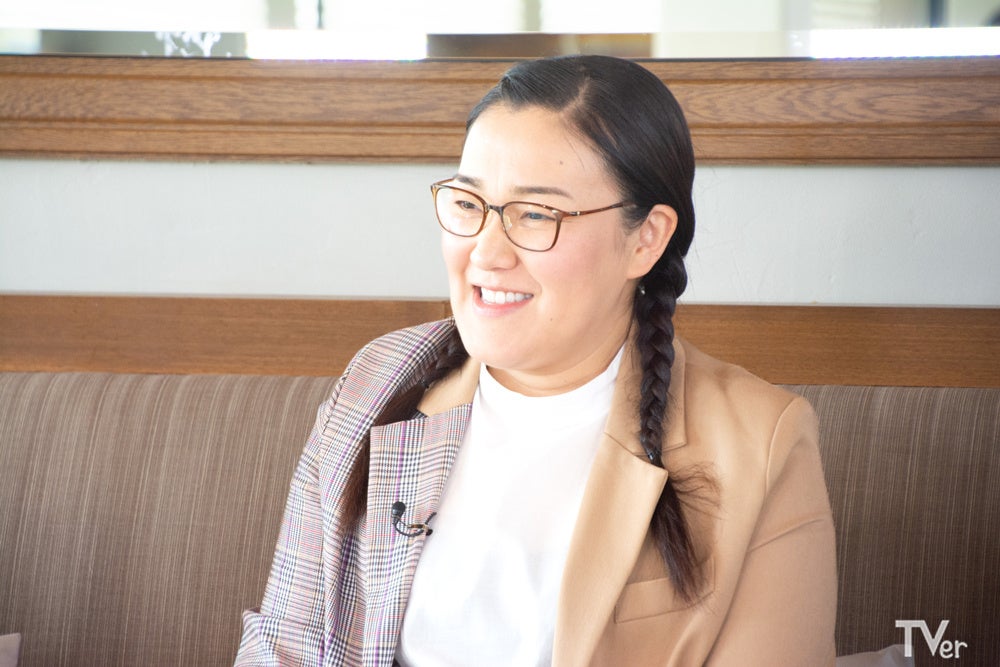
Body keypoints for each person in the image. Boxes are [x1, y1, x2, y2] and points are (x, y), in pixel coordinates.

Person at [235, 54, 837, 666]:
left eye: (535, 214)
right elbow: (283, 645)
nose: (486, 253)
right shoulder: (379, 380)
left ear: (646, 238)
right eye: (468, 204)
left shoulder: (761, 442)